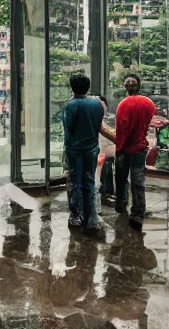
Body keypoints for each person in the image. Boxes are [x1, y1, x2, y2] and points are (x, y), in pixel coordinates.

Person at [62, 72, 115, 236]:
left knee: (73, 182)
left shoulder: (71, 105)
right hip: (91, 149)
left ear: (72, 87)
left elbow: (68, 127)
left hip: (74, 150)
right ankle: (91, 217)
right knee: (89, 182)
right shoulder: (97, 104)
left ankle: (76, 215)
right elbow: (99, 124)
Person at [114, 73, 156, 230]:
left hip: (124, 148)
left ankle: (121, 203)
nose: (130, 84)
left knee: (120, 177)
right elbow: (151, 123)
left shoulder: (123, 105)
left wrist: (119, 147)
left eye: (130, 82)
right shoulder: (148, 103)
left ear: (125, 87)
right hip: (139, 148)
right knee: (138, 180)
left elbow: (121, 129)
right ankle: (137, 213)